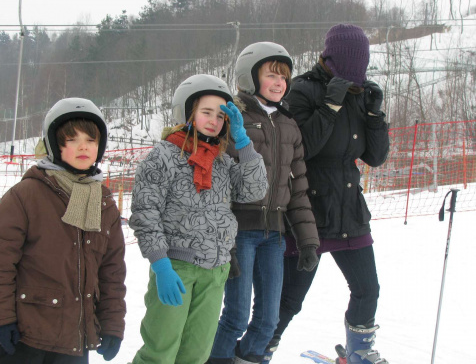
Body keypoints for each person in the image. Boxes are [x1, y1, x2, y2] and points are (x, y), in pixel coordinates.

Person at [263, 24, 390, 364]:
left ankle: (359, 351)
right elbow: (301, 148)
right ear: (332, 59)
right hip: (310, 213)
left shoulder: (359, 94)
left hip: (350, 210)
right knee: (289, 300)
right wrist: (330, 107)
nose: (356, 76)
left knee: (367, 290)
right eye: (351, 66)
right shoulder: (303, 90)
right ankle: (257, 351)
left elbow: (375, 157)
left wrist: (376, 116)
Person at [129, 74, 268, 364]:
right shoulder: (162, 156)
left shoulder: (222, 160)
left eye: (221, 116)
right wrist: (161, 265)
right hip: (176, 269)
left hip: (215, 270)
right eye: (206, 112)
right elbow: (146, 214)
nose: (214, 120)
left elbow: (255, 190)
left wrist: (243, 142)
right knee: (160, 352)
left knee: (196, 354)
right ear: (188, 111)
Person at [0, 98, 127, 364]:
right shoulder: (26, 196)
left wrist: (113, 324)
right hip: (26, 336)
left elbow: (112, 271)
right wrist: (0, 319)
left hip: (75, 340)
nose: (83, 146)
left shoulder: (104, 205)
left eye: (91, 140)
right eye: (72, 139)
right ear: (54, 145)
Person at [207, 42, 320, 364]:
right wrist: (224, 240)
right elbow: (220, 184)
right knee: (236, 316)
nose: (279, 83)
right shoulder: (234, 119)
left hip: (275, 235)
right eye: (271, 75)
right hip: (240, 232)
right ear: (250, 77)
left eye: (284, 77)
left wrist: (308, 242)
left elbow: (298, 189)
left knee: (268, 320)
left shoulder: (289, 125)